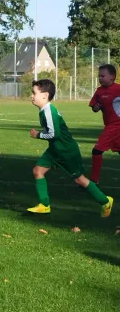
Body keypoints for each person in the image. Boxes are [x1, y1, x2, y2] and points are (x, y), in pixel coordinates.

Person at [27, 79, 113, 217]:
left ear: (45, 95)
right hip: (55, 149)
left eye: (34, 93)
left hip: (66, 150)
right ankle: (44, 205)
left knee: (80, 180)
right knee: (38, 171)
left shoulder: (49, 111)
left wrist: (38, 135)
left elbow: (54, 134)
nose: (31, 96)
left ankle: (105, 201)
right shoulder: (43, 110)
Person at [88, 64, 120, 185]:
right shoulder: (99, 91)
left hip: (115, 126)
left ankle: (93, 180)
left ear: (112, 76)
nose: (100, 78)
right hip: (109, 125)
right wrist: (95, 108)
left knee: (97, 150)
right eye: (99, 76)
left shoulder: (118, 88)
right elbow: (94, 107)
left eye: (103, 76)